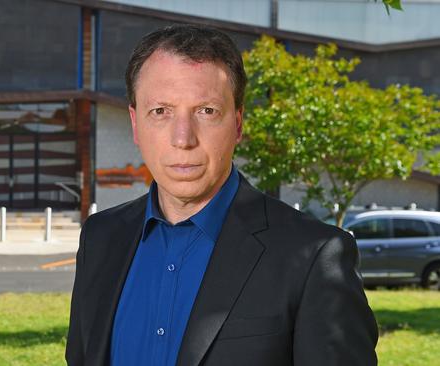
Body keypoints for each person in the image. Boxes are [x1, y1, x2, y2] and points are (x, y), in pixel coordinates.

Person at [66, 24, 378, 366]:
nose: (183, 139)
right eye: (161, 111)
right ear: (136, 123)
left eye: (206, 111)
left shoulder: (314, 256)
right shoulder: (100, 237)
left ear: (238, 124)